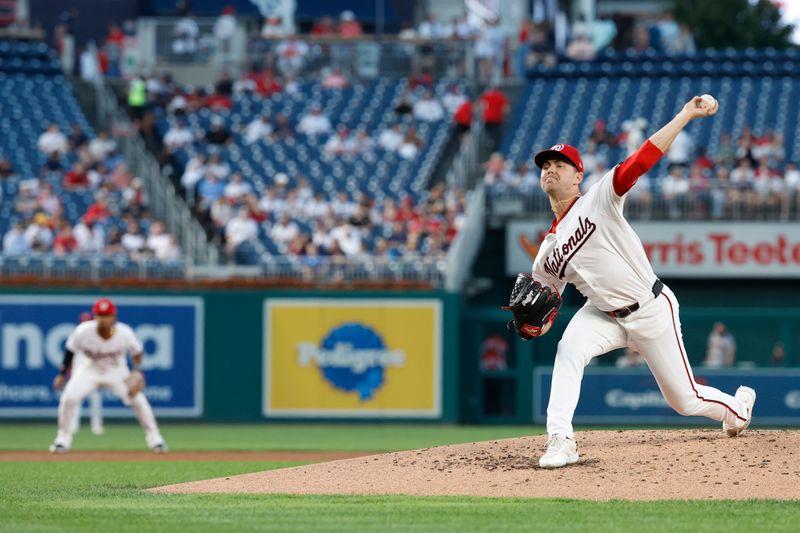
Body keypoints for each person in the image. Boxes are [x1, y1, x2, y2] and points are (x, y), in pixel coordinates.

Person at [518, 95, 755, 469]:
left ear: (577, 175)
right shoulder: (546, 253)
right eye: (545, 165)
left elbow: (643, 157)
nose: (550, 169)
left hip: (650, 308)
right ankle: (560, 441)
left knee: (685, 400)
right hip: (603, 314)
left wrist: (686, 114)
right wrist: (535, 325)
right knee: (568, 350)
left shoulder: (599, 198)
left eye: (559, 164)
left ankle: (738, 409)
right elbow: (547, 303)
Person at [50, 298, 167, 453]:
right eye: (100, 315)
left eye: (107, 315)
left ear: (114, 317)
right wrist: (62, 374)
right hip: (89, 369)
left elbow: (137, 352)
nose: (104, 318)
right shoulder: (83, 331)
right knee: (69, 398)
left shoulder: (124, 333)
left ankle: (156, 439)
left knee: (138, 400)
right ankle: (62, 439)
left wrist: (137, 371)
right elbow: (69, 351)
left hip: (116, 371)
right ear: (95, 316)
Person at [69, 312, 105, 436]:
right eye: (83, 321)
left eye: (87, 321)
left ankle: (96, 425)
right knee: (75, 400)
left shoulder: (97, 337)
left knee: (95, 400)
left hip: (93, 375)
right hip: (79, 374)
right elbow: (71, 357)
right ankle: (73, 425)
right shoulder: (76, 336)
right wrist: (70, 373)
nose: (85, 323)